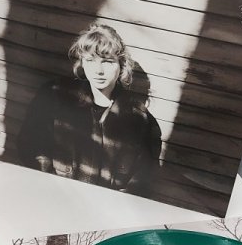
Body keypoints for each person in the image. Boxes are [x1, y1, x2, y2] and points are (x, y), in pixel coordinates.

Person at [17, 23, 162, 196]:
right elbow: (31, 145)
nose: (98, 71)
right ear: (82, 63)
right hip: (55, 197)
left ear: (121, 65)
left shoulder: (140, 121)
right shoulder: (56, 96)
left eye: (107, 62)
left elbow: (141, 182)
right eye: (90, 60)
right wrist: (51, 186)